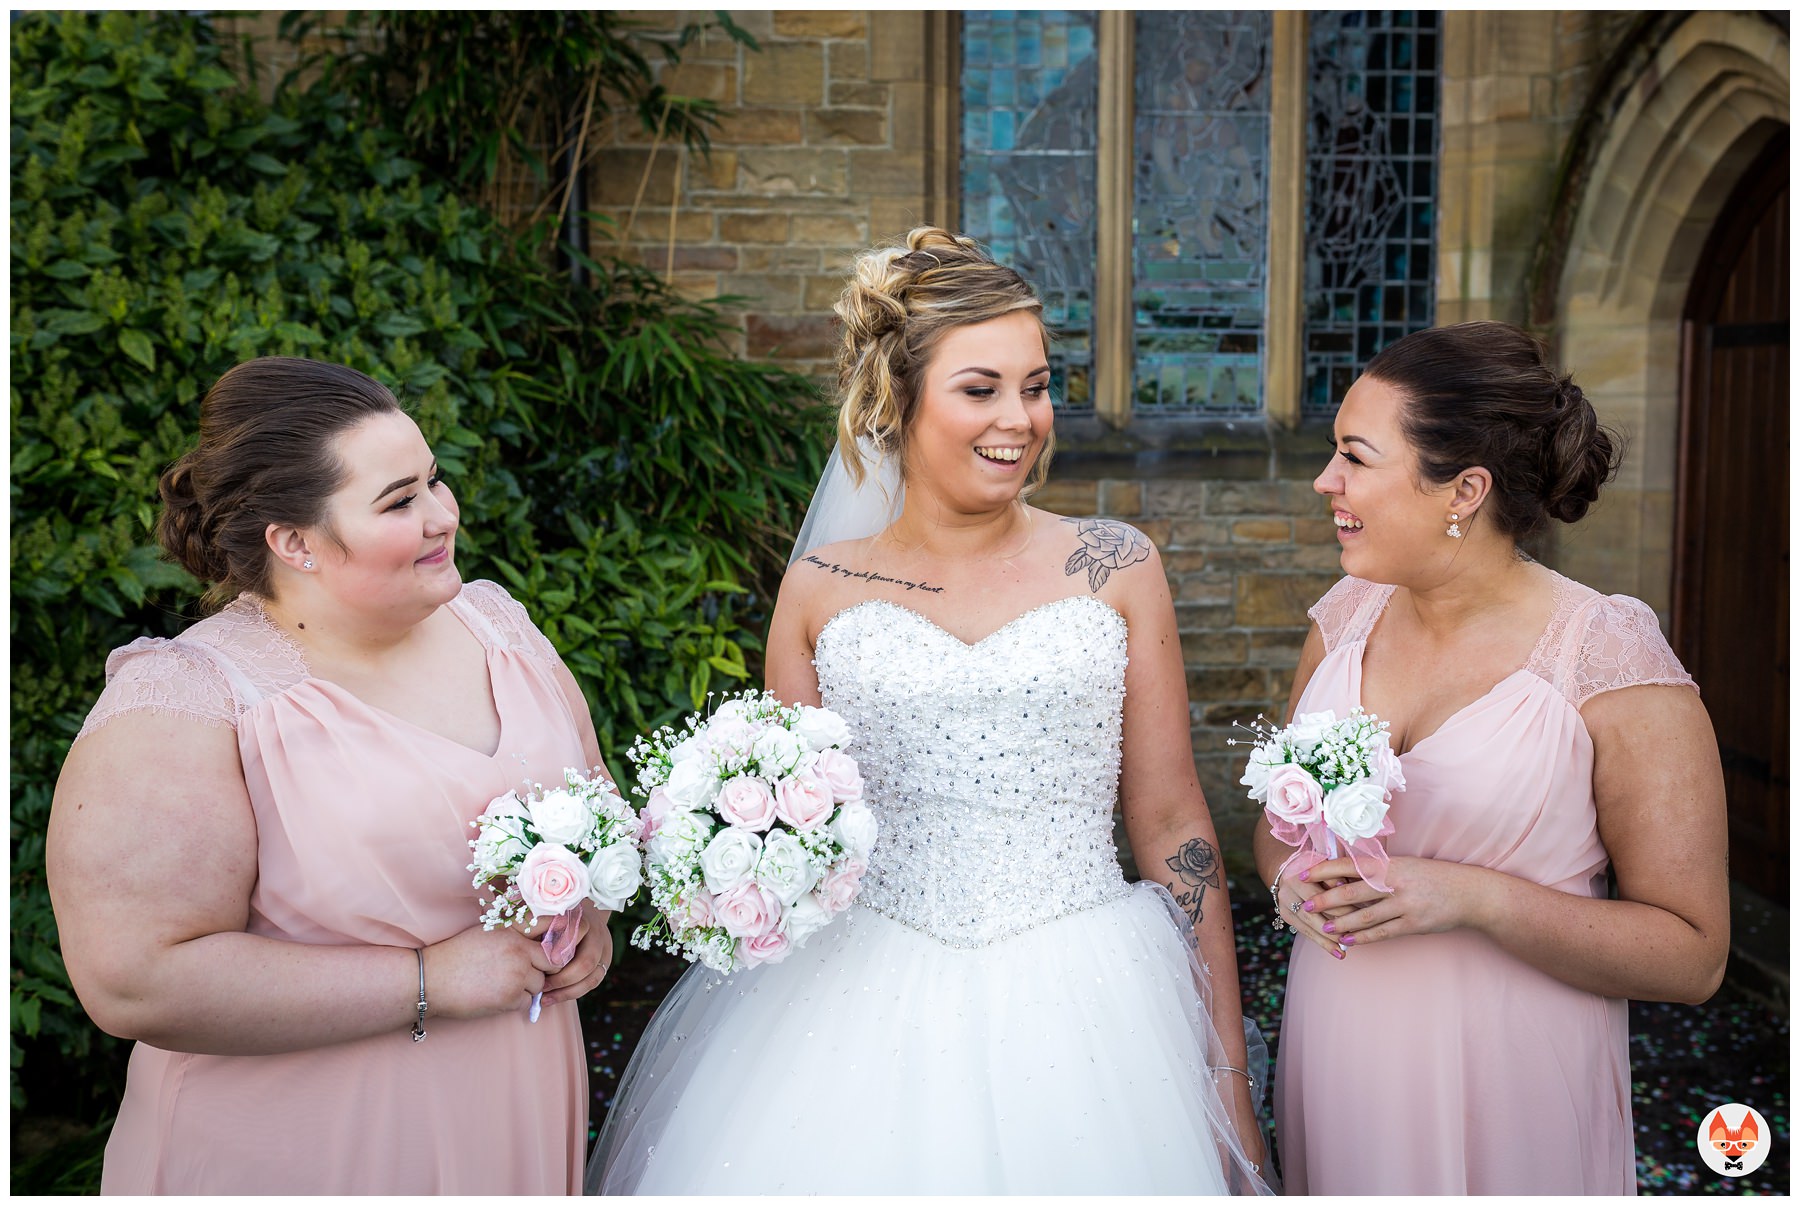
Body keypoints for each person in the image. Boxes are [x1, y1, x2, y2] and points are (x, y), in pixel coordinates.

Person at [587, 228, 1272, 1195]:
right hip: (856, 1004)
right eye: (981, 388)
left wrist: (1226, 1074)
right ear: (894, 400)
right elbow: (805, 827)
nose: (1021, 419)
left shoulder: (1116, 566)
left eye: (1036, 386)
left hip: (1088, 1002)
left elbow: (1169, 824)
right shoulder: (820, 589)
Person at [47, 358, 614, 1194]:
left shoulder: (500, 626)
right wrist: (430, 981)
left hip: (510, 1103)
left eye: (434, 480)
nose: (442, 515)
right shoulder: (190, 701)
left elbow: (593, 805)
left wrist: (589, 918)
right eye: (399, 501)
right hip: (310, 1143)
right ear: (294, 541)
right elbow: (135, 978)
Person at [1257, 322, 1729, 1194]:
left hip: (1510, 1072)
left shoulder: (1606, 653)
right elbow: (1279, 830)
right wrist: (1292, 880)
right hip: (1341, 1050)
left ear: (1463, 490)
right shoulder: (1344, 617)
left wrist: (1473, 897)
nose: (1327, 482)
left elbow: (1693, 955)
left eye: (1355, 457)